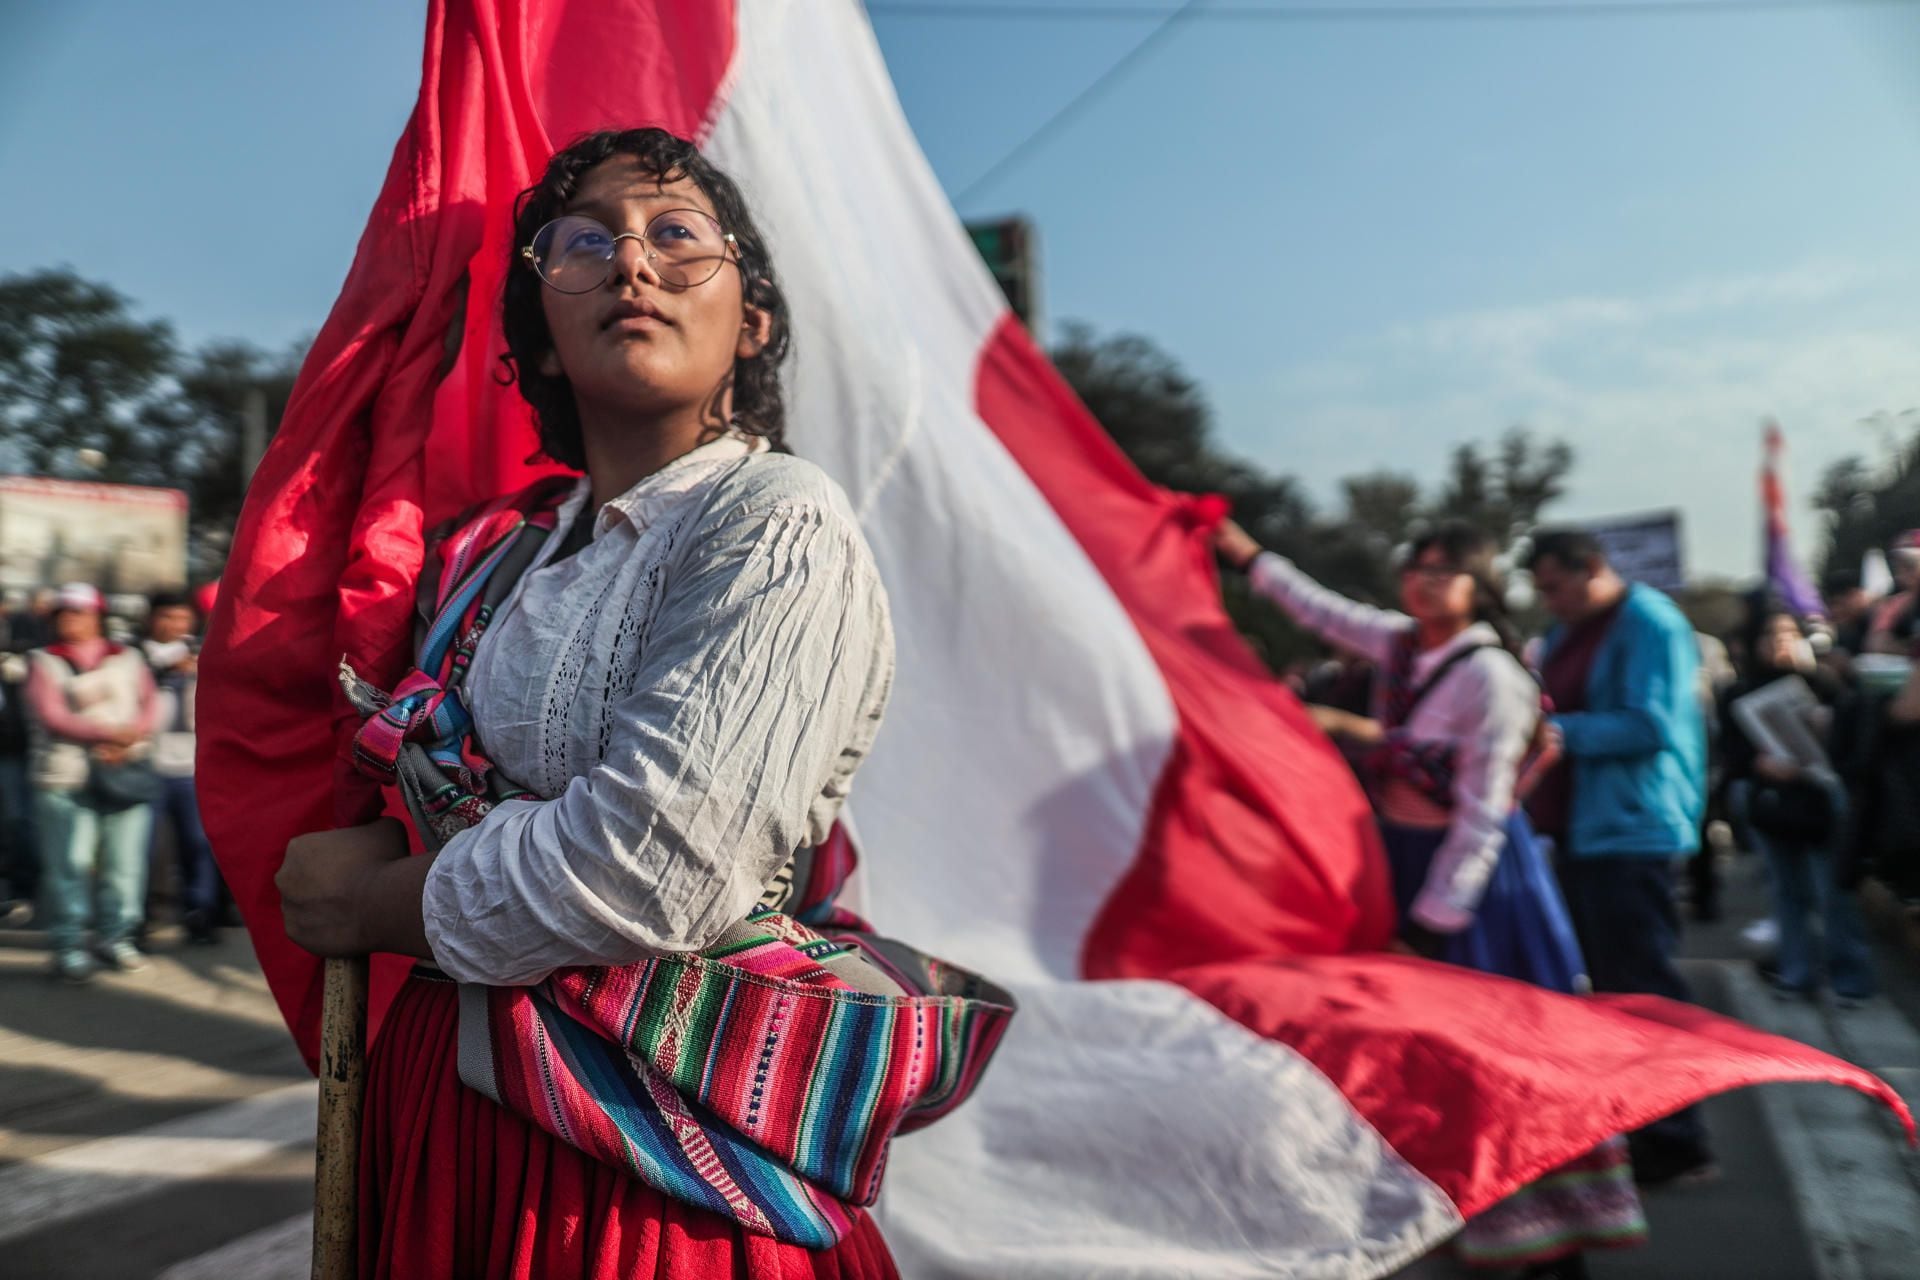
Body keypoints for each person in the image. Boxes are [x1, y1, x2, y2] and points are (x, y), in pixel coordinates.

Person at [271, 128, 922, 1278]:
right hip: (447, 1103)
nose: (632, 264)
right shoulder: (498, 553)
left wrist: (372, 899)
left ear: (752, 322)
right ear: (546, 345)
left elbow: (655, 863)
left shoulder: (776, 518)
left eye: (677, 237)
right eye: (585, 244)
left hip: (642, 1157)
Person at [1217, 518, 1643, 1278]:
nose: (1426, 581)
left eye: (1446, 571)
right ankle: (1458, 1220)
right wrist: (1247, 553)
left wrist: (1429, 923)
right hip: (1411, 863)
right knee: (1431, 1059)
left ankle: (1543, 1239)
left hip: (1478, 891)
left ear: (1479, 587)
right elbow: (1321, 610)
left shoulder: (1491, 677)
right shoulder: (1405, 646)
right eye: (1417, 567)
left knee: (1499, 1059)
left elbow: (1481, 817)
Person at [1525, 530, 1714, 1188]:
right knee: (1608, 988)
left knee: (1642, 988)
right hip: (1583, 830)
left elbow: (1649, 723)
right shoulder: (1564, 633)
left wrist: (1552, 733)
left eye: (1556, 586)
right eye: (1542, 590)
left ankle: (1679, 1138)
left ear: (1593, 569)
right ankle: (1642, 1128)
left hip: (1630, 831)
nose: (1550, 601)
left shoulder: (1649, 622)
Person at [1722, 606, 1873, 1006]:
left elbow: (1853, 744)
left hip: (1822, 803)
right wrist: (1760, 765)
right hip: (1772, 805)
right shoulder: (1739, 691)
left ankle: (1849, 978)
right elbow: (1731, 756)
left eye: (1788, 634)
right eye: (1771, 636)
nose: (1780, 643)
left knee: (1832, 892)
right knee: (1786, 893)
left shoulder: (1824, 684)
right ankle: (1796, 973)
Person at [23, 582, 161, 983]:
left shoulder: (129, 657)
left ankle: (116, 937)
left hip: (125, 774)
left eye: (79, 611)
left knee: (124, 865)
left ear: (97, 615)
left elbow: (151, 705)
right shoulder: (42, 661)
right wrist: (108, 735)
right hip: (64, 778)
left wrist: (132, 735)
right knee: (70, 864)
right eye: (63, 612)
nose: (71, 618)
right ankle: (68, 944)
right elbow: (51, 716)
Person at [143, 590, 221, 944]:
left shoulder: (205, 653)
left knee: (200, 843)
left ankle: (201, 911)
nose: (174, 624)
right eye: (166, 617)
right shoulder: (135, 657)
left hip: (194, 764)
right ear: (151, 619)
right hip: (149, 763)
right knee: (151, 847)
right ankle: (152, 914)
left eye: (180, 617)